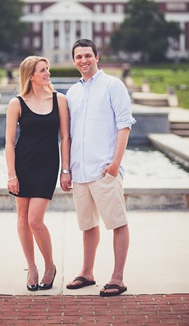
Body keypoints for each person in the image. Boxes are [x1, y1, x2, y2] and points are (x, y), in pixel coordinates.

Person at [62, 39, 136, 297]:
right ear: (74, 61)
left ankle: (117, 278)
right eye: (79, 57)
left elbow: (124, 125)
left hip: (105, 169)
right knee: (87, 225)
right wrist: (66, 169)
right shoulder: (72, 92)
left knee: (117, 223)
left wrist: (115, 165)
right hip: (79, 171)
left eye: (87, 55)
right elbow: (68, 135)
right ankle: (87, 272)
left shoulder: (113, 85)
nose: (83, 60)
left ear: (97, 56)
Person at [5, 56, 71, 292]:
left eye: (48, 70)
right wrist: (11, 174)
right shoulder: (17, 103)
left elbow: (65, 137)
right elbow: (9, 142)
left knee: (35, 220)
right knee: (22, 219)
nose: (47, 74)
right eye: (43, 70)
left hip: (47, 165)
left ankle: (50, 265)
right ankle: (32, 268)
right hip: (23, 164)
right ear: (30, 75)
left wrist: (66, 169)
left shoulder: (59, 100)